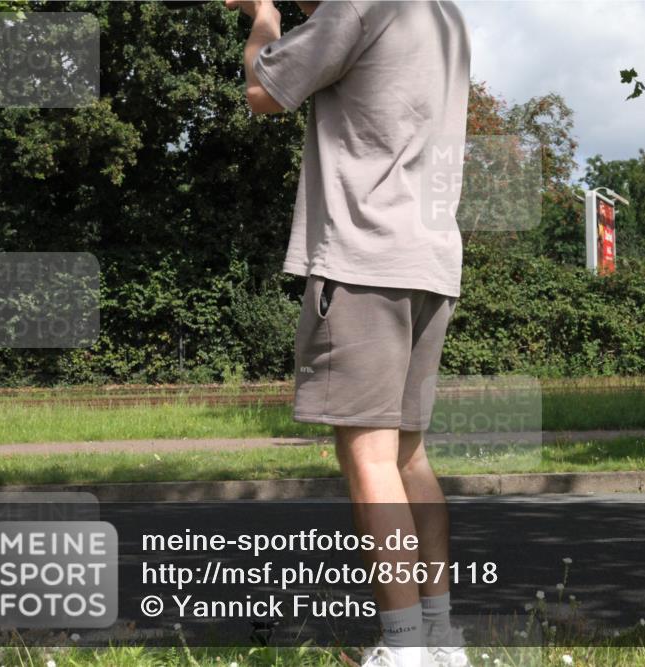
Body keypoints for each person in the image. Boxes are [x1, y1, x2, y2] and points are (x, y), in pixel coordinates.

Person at [226, 1, 472, 665]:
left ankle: (403, 649)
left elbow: (262, 91)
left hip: (365, 262)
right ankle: (441, 641)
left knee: (369, 462)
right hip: (431, 262)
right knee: (408, 458)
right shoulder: (441, 14)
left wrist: (264, 16)